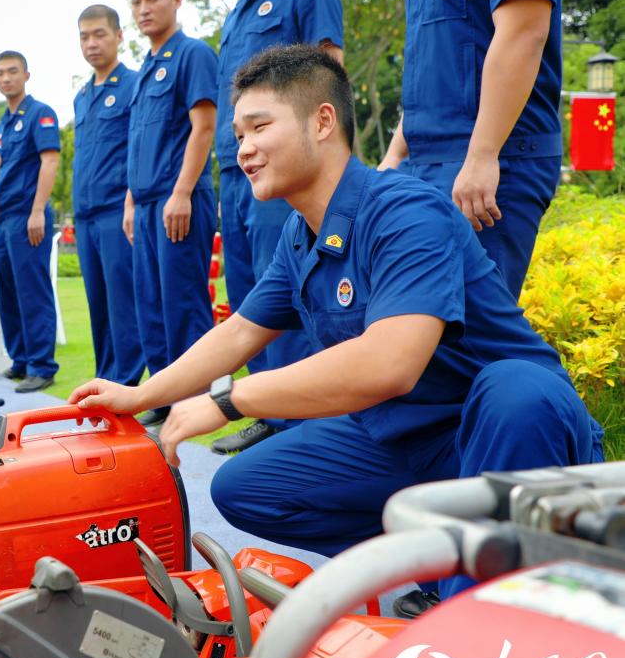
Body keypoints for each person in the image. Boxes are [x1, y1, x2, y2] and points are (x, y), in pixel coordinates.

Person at [71, 45, 601, 617]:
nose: (243, 148)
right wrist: (141, 395)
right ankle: (433, 567)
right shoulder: (301, 238)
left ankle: (476, 621)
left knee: (516, 390)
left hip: (509, 437)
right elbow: (238, 333)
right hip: (414, 443)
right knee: (243, 486)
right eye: (238, 133)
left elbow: (387, 364)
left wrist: (230, 399)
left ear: (323, 121)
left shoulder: (405, 212)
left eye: (259, 127)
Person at [210, 0, 344, 454]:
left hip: (286, 166)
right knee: (246, 292)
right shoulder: (235, 15)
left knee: (290, 290)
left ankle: (302, 415)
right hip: (238, 169)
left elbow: (328, 71)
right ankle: (264, 407)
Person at [380, 0, 566, 301]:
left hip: (489, 157)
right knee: (421, 326)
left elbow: (524, 32)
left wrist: (483, 155)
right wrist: (394, 158)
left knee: (469, 331)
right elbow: (434, 67)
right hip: (426, 162)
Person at [124, 0, 218, 427]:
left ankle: (195, 400)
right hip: (143, 205)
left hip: (178, 198)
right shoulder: (146, 68)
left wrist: (181, 193)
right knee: (151, 304)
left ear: (177, 0)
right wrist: (129, 202)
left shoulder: (192, 54)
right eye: (137, 1)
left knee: (183, 303)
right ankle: (162, 393)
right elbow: (139, 141)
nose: (144, 9)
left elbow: (203, 127)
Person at [72, 4, 143, 387]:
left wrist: (131, 200)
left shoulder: (133, 84)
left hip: (117, 210)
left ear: (119, 36)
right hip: (85, 215)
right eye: (84, 36)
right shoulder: (82, 95)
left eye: (99, 34)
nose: (92, 43)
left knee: (122, 304)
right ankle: (104, 380)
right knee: (97, 304)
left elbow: (137, 147)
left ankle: (126, 385)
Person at [0, 51, 61, 393]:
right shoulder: (2, 123)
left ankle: (42, 366)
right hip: (4, 219)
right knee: (9, 293)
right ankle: (20, 360)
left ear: (26, 75)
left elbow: (49, 162)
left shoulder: (40, 114)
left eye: (12, 72)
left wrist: (37, 210)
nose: (6, 78)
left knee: (32, 291)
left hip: (28, 216)